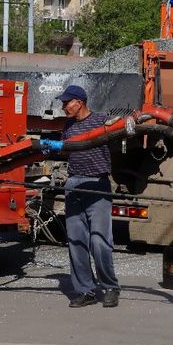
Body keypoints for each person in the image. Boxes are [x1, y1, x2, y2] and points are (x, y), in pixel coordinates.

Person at [57, 84, 121, 308]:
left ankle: (110, 287)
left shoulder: (101, 121)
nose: (64, 107)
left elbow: (120, 129)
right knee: (76, 242)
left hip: (97, 185)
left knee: (99, 241)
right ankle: (86, 290)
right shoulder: (68, 126)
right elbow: (65, 151)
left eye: (67, 103)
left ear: (80, 102)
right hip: (74, 184)